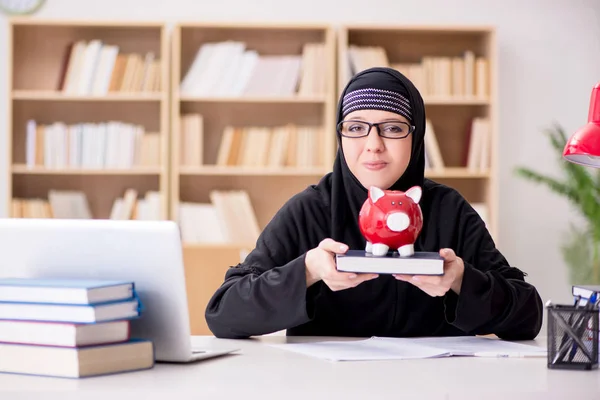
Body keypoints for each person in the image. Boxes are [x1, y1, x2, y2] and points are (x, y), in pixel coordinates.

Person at [205, 67, 543, 340]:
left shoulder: (448, 210)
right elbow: (223, 313)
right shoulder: (310, 210)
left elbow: (528, 316)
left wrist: (460, 280)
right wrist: (307, 271)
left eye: (392, 128)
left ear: (417, 135)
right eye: (356, 127)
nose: (373, 144)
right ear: (340, 136)